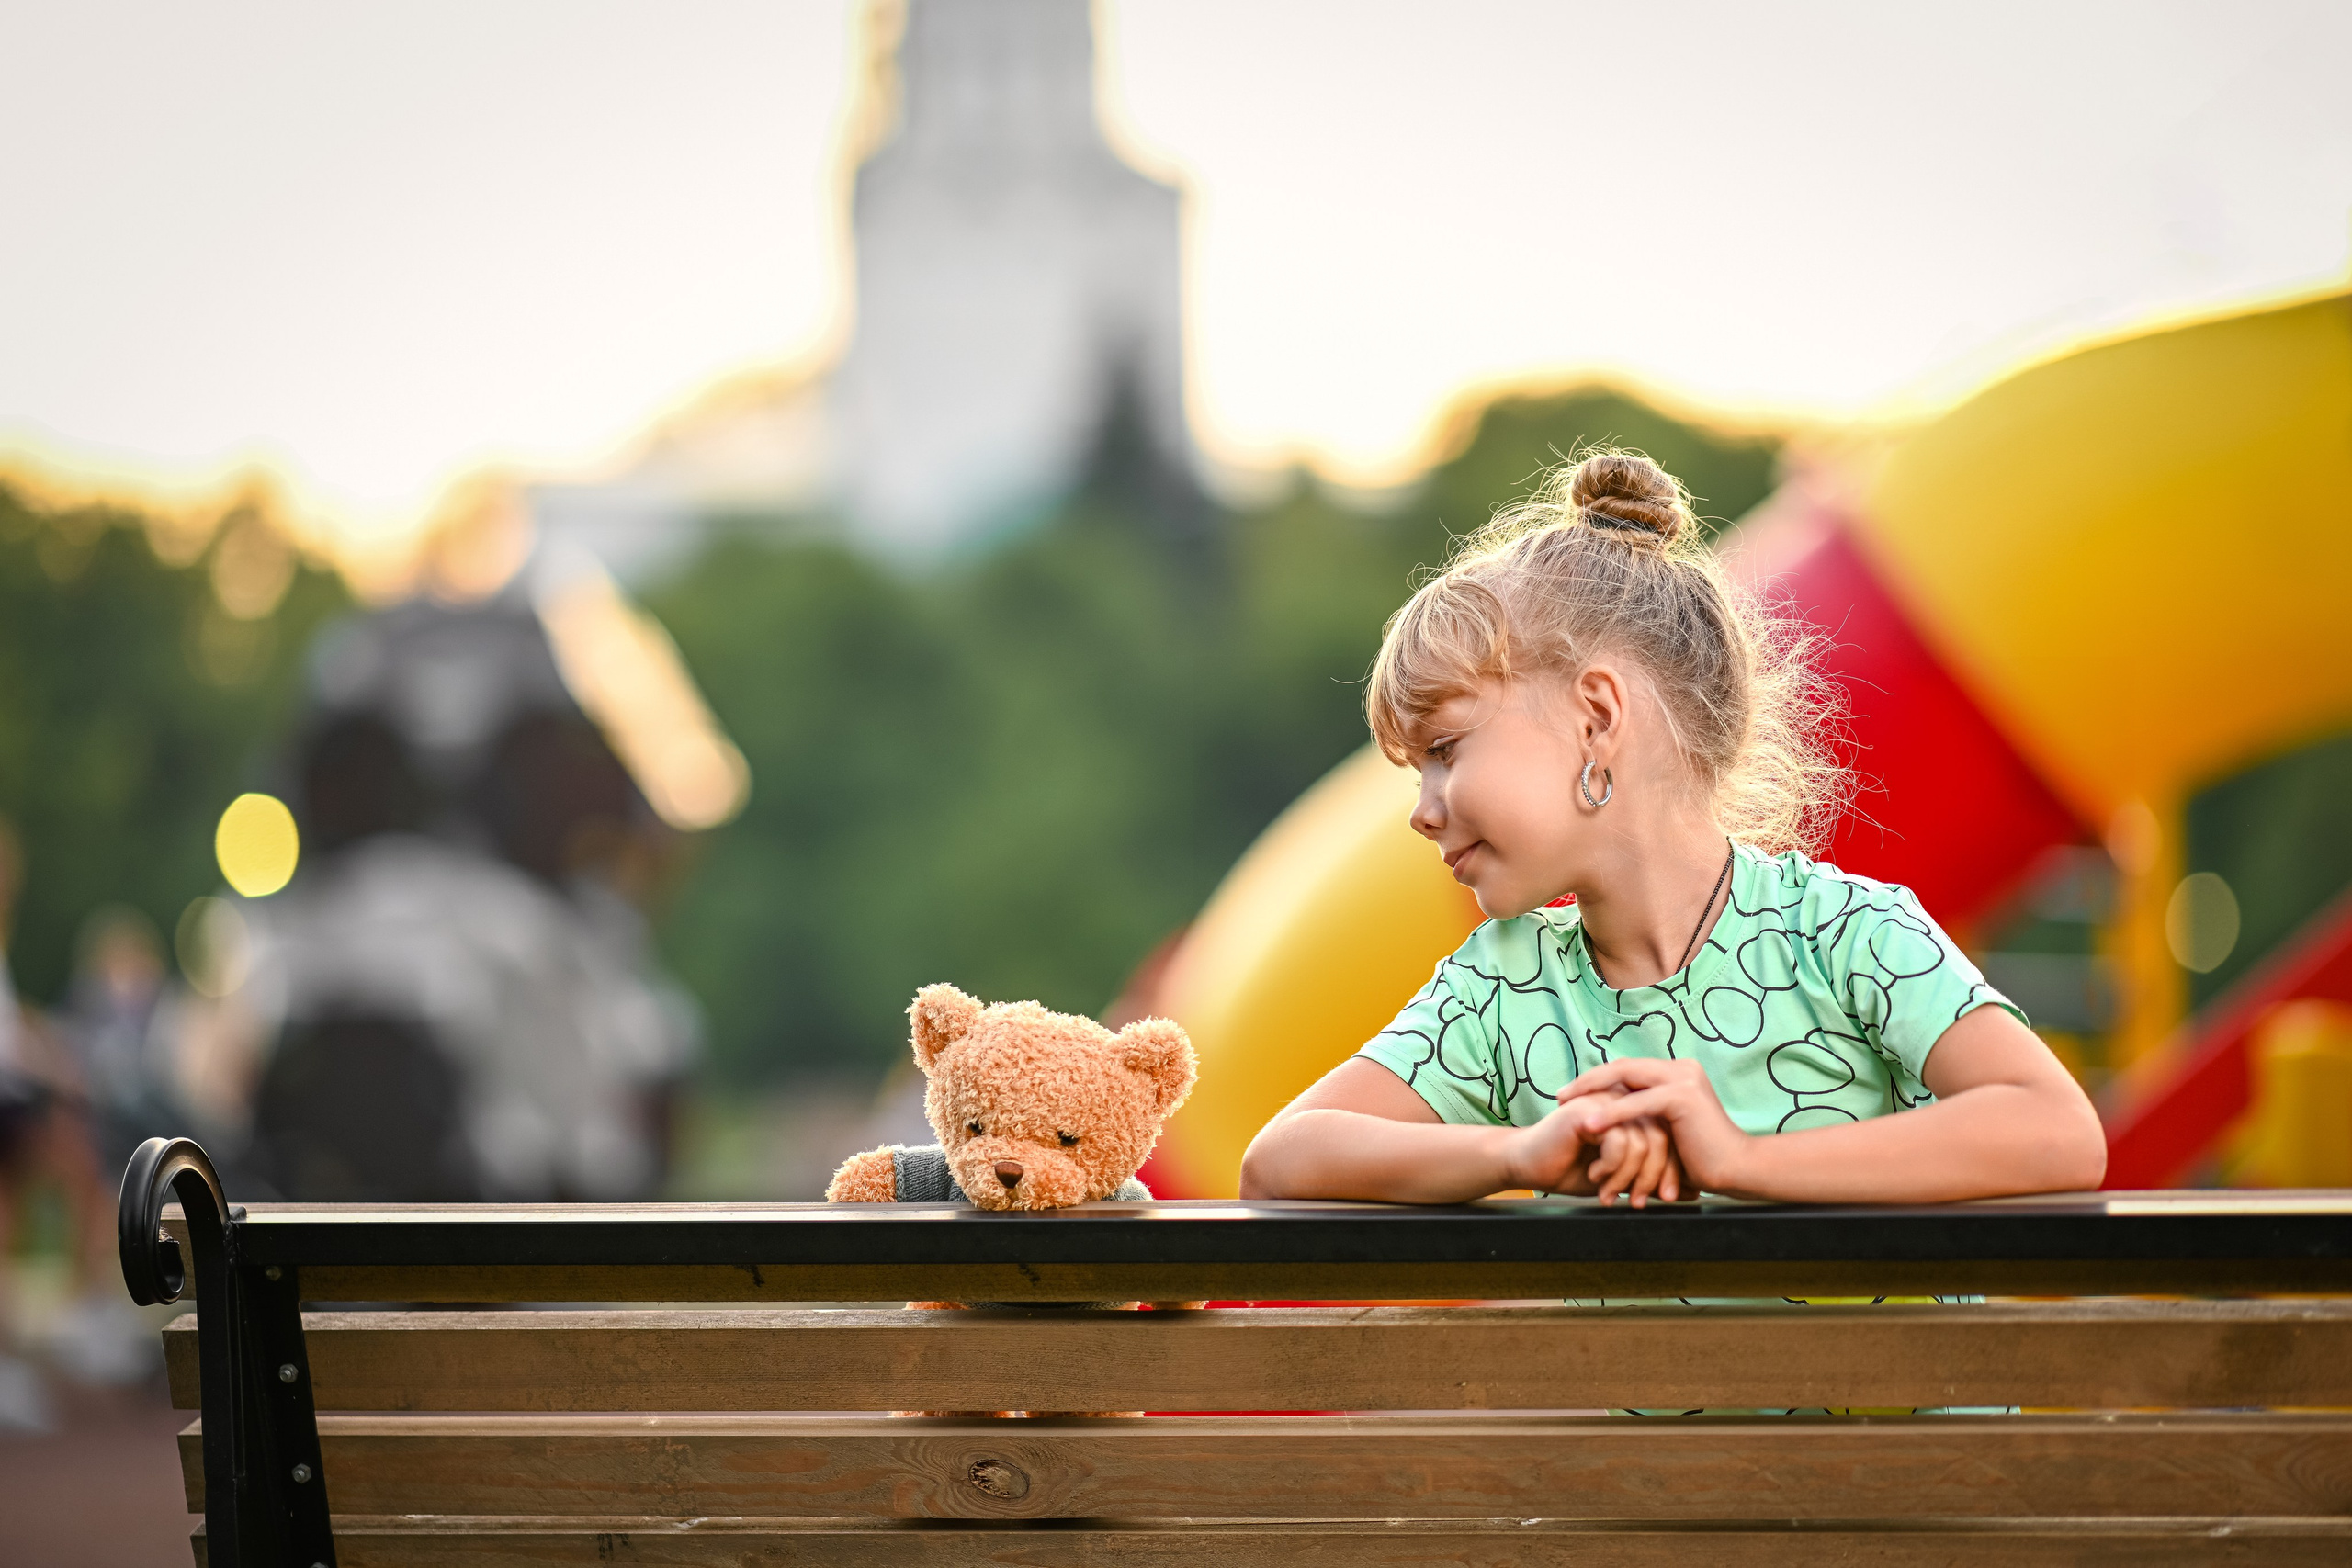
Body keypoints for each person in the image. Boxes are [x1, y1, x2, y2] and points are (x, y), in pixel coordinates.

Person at [1240, 451, 2106, 1207]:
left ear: (1596, 715)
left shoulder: (1845, 937)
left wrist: (1740, 1160)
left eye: (1445, 748)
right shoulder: (1506, 984)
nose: (1423, 809)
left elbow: (2059, 1131)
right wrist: (1518, 1152)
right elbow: (1280, 1160)